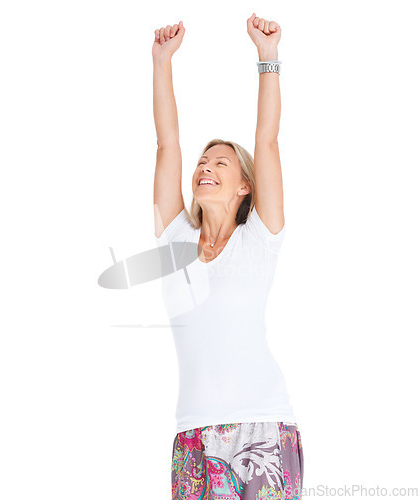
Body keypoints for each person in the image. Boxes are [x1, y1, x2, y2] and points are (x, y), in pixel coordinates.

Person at [152, 13, 304, 500]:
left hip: (263, 427)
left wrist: (268, 58)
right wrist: (161, 64)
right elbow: (167, 144)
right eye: (202, 162)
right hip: (193, 435)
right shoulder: (174, 242)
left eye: (221, 162)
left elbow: (267, 141)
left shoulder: (259, 239)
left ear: (245, 186)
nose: (204, 167)